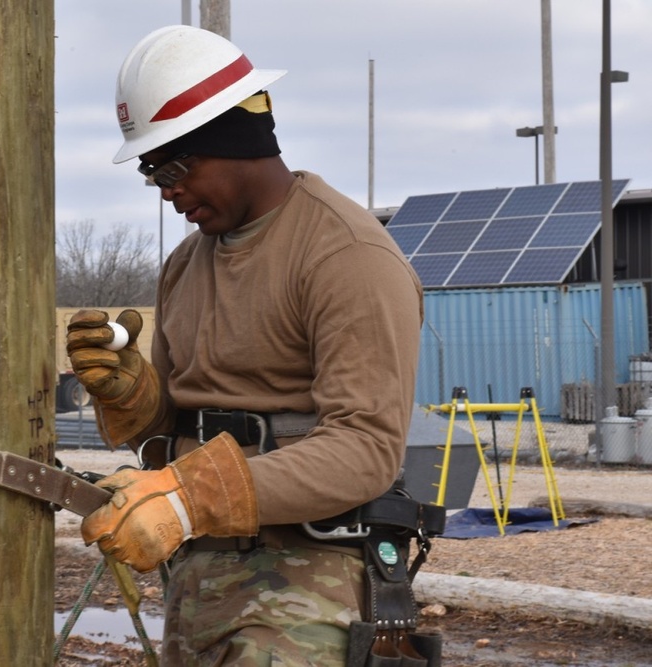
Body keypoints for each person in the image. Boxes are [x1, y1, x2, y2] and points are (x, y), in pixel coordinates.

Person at [66, 25, 435, 667]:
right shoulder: (186, 265)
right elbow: (171, 444)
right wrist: (137, 403)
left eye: (174, 167)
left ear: (235, 142)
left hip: (308, 591)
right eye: (151, 173)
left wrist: (189, 499)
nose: (165, 189)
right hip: (200, 583)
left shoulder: (347, 255)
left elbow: (365, 448)